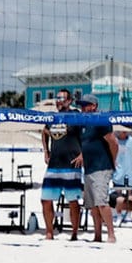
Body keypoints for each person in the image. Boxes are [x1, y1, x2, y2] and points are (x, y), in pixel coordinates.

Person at [41, 95, 85, 241]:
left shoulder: (76, 115)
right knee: (46, 199)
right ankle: (49, 232)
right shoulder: (52, 117)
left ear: (69, 101)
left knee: (72, 201)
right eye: (57, 98)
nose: (59, 101)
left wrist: (82, 154)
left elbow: (87, 135)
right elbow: (44, 132)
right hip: (54, 165)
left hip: (72, 165)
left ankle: (74, 233)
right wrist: (46, 151)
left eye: (62, 98)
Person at [78, 95, 120, 243]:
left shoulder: (100, 120)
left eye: (85, 105)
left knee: (101, 202)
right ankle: (97, 235)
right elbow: (87, 144)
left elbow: (114, 143)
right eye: (81, 105)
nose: (82, 108)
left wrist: (112, 162)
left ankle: (111, 234)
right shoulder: (83, 123)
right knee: (92, 205)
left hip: (102, 166)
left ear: (94, 106)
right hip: (89, 168)